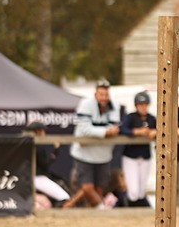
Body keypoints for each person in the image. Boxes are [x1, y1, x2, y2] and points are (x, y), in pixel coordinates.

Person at [64, 79, 120, 208]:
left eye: (106, 94)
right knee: (87, 187)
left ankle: (80, 210)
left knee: (99, 188)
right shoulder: (85, 104)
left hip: (104, 155)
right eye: (101, 94)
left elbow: (114, 128)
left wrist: (103, 132)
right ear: (95, 94)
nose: (104, 98)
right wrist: (105, 132)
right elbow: (85, 129)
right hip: (84, 154)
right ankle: (102, 210)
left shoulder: (114, 106)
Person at [119, 91, 157, 207]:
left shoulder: (151, 118)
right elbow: (122, 129)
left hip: (145, 155)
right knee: (133, 190)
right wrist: (136, 131)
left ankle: (139, 210)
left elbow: (160, 129)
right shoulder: (131, 117)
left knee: (141, 189)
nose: (143, 107)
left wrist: (154, 132)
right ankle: (130, 208)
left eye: (145, 104)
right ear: (136, 106)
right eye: (140, 105)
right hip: (131, 156)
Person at [22, 121, 70, 208]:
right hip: (38, 178)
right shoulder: (38, 147)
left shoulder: (24, 144)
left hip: (25, 178)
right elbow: (45, 165)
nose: (45, 134)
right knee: (64, 197)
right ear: (38, 132)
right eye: (43, 131)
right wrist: (55, 152)